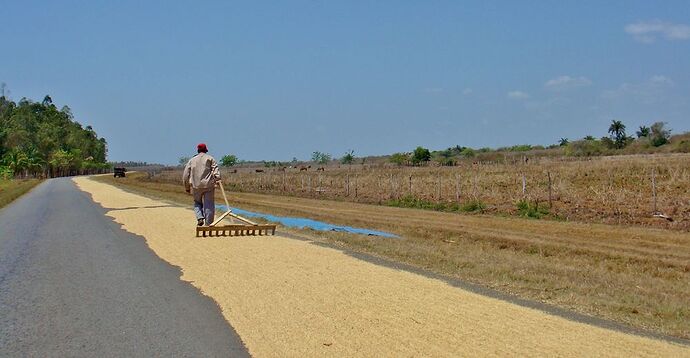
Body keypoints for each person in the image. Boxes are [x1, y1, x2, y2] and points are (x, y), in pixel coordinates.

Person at [182, 143, 221, 226]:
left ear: (198, 150)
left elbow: (185, 175)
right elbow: (215, 170)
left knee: (197, 202)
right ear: (206, 150)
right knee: (209, 204)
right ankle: (208, 224)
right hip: (208, 185)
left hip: (196, 186)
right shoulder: (210, 158)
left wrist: (187, 187)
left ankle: (200, 217)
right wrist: (218, 179)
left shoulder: (192, 160)